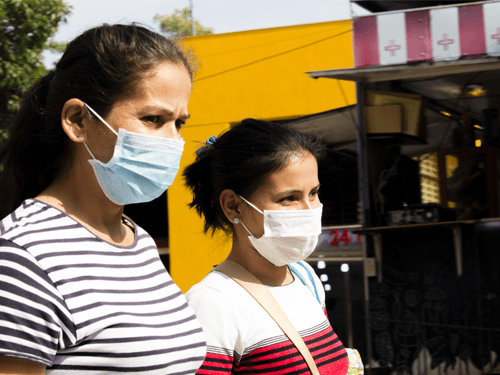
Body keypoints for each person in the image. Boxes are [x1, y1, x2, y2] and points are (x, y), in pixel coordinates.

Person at [0, 24, 206, 374]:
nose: (173, 141)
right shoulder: (23, 255)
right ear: (78, 120)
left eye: (179, 123)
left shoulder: (134, 239)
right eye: (153, 119)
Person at [183, 119, 353, 374]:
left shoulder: (305, 278)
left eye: (313, 193)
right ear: (233, 206)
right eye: (289, 198)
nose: (309, 210)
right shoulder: (212, 303)